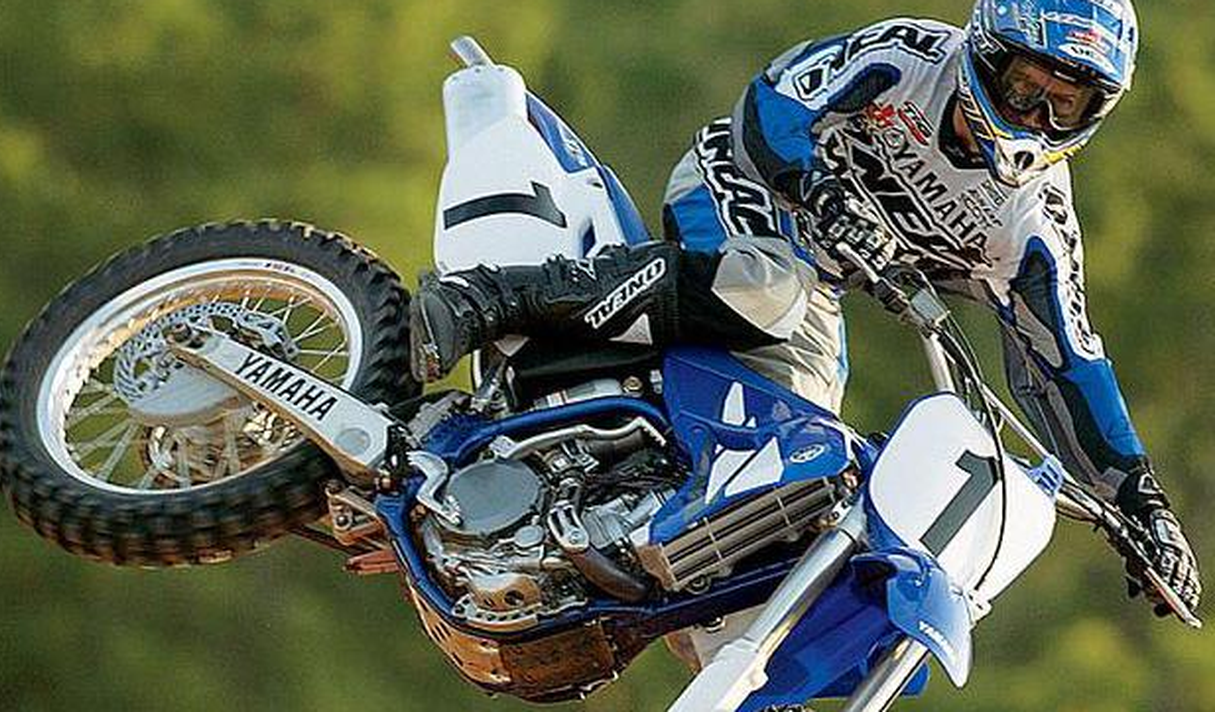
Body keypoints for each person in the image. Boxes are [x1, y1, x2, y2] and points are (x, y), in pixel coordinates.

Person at [409, 0, 1200, 617]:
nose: (1036, 119)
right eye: (1026, 89)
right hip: (743, 189)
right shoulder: (905, 58)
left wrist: (1142, 505)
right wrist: (818, 188)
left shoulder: (1035, 229)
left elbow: (1070, 368)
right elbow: (770, 104)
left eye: (1065, 105)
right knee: (772, 288)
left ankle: (611, 530)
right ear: (986, 57)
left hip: (818, 282)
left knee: (807, 452)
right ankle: (492, 296)